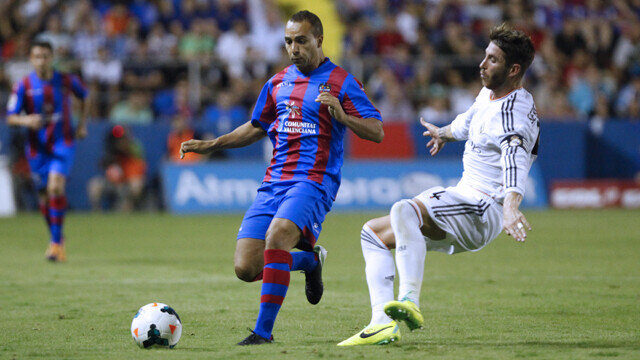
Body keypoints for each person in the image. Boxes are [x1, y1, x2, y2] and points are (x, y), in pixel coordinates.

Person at [179, 10, 384, 345]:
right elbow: (256, 127)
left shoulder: (343, 82)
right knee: (246, 268)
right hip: (274, 182)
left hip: (314, 182)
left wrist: (343, 116)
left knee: (277, 236)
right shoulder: (277, 83)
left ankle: (263, 333)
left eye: (301, 40)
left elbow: (376, 131)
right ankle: (309, 260)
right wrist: (213, 144)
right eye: (288, 41)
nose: (293, 48)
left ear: (318, 39)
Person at [338, 23, 539, 346]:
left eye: (492, 60)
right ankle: (381, 324)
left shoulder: (514, 114)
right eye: (485, 56)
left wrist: (512, 205)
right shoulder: (491, 93)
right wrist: (444, 133)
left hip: (484, 207)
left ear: (514, 69)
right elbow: (471, 119)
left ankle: (409, 303)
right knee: (373, 234)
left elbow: (516, 156)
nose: (482, 64)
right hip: (466, 199)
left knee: (404, 210)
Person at [6, 40, 88, 262]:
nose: (42, 60)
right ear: (31, 59)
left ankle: (55, 244)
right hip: (37, 147)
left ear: (52, 58)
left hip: (63, 141)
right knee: (43, 195)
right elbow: (10, 116)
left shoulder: (65, 80)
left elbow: (84, 95)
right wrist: (26, 120)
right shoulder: (23, 85)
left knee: (55, 187)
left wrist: (81, 124)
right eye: (37, 56)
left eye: (45, 56)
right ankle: (57, 238)